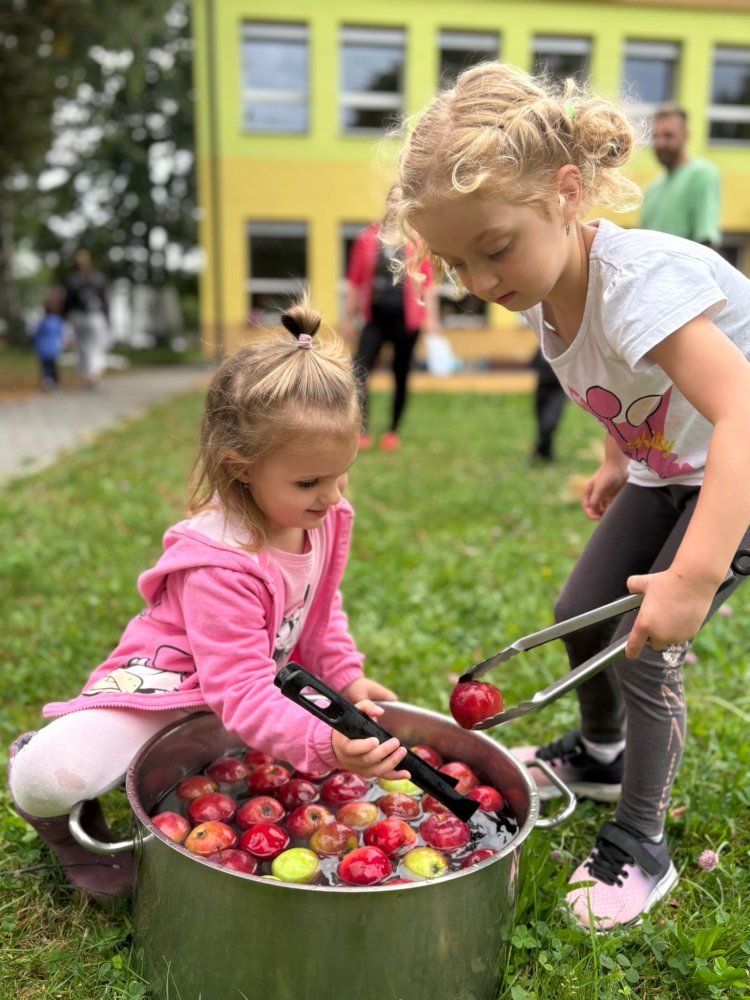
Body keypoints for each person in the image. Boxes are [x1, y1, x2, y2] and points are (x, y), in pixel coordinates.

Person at [390, 62, 750, 931]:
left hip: (739, 468)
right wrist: (618, 454)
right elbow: (618, 371)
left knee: (645, 645)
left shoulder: (640, 282)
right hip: (671, 469)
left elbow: (741, 408)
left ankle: (640, 841)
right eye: (455, 262)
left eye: (494, 248)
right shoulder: (545, 289)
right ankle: (597, 753)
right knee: (582, 607)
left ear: (565, 192)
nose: (478, 280)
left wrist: (694, 577)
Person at [8, 296, 408, 900]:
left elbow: (320, 611)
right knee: (49, 776)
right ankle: (64, 809)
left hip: (241, 693)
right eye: (308, 482)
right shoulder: (221, 562)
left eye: (342, 471)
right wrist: (324, 743)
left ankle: (162, 766)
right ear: (239, 466)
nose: (331, 496)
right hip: (173, 690)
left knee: (240, 769)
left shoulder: (321, 519)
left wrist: (346, 678)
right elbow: (239, 690)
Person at [342, 187, 441, 452]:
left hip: (406, 320)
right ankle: (361, 431)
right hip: (374, 317)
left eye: (402, 200)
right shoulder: (367, 238)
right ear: (387, 202)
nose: (397, 205)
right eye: (393, 200)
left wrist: (432, 319)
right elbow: (354, 282)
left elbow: (428, 283)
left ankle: (392, 432)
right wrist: (348, 318)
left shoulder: (417, 240)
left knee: (401, 374)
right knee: (360, 371)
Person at [640, 104, 722, 248]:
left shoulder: (702, 174)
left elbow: (706, 242)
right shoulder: (652, 189)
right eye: (655, 136)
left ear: (685, 135)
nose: (660, 143)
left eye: (668, 135)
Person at [62, 248, 111, 389]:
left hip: (77, 317)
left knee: (83, 347)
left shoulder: (72, 279)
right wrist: (108, 318)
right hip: (95, 317)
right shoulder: (98, 278)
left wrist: (65, 317)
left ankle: (89, 374)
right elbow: (105, 300)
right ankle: (93, 374)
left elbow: (67, 301)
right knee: (96, 346)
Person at [528, 346, 567, 464]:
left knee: (549, 422)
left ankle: (543, 452)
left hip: (558, 387)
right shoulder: (545, 344)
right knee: (540, 420)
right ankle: (543, 452)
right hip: (543, 382)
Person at [32, 287, 66, 391]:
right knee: (54, 367)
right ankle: (54, 383)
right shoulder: (58, 321)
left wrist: (34, 344)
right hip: (54, 350)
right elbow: (62, 335)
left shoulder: (42, 322)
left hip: (43, 350)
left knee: (45, 368)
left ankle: (47, 382)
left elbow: (35, 335)